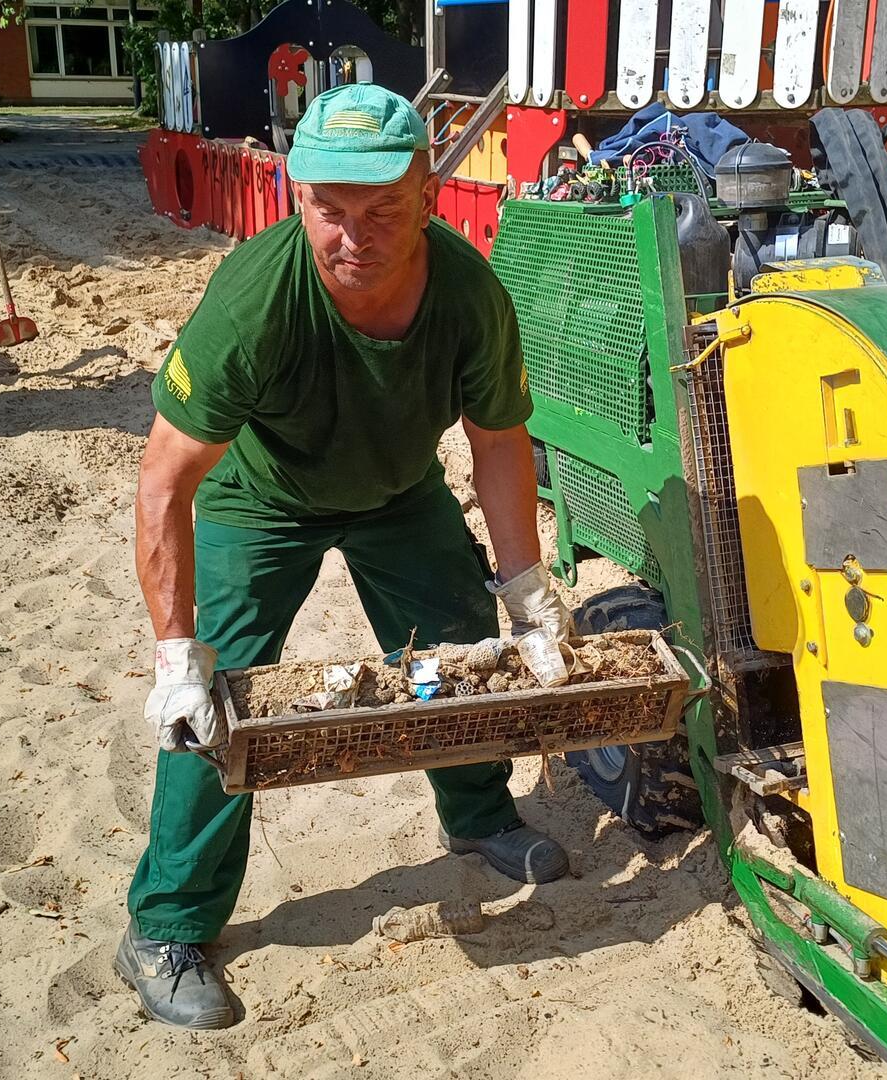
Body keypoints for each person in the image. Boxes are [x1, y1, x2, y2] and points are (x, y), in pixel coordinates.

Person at [116, 83, 574, 1030]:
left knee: (461, 648)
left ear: (429, 191)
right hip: (264, 497)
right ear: (296, 195)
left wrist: (527, 592)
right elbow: (164, 484)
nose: (351, 235)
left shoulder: (469, 294)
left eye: (382, 208)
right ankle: (166, 924)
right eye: (329, 208)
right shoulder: (254, 302)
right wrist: (173, 658)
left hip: (399, 490)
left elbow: (497, 443)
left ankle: (480, 816)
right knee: (216, 699)